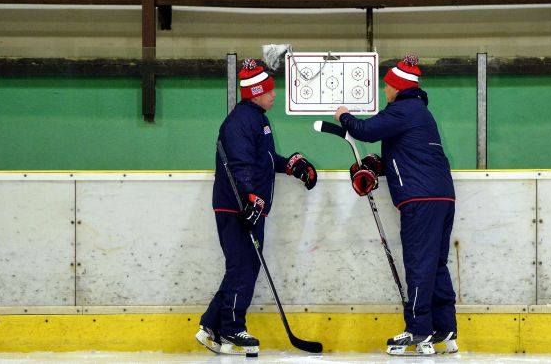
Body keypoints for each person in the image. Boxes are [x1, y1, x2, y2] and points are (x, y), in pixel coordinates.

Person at [334, 54, 458, 356]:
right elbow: (410, 156)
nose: (384, 90)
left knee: (418, 263)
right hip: (441, 196)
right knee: (435, 263)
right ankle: (445, 327)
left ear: (397, 87)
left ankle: (418, 331)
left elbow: (364, 130)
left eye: (387, 85)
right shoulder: (420, 113)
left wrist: (344, 115)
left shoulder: (403, 109)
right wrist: (379, 164)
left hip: (420, 199)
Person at [196, 58, 317, 356]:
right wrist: (250, 197)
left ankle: (212, 324)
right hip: (237, 206)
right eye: (269, 90)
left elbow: (263, 159)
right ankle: (232, 330)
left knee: (241, 265)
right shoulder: (241, 121)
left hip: (246, 204)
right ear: (256, 92)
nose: (274, 94)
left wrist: (290, 165)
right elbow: (239, 164)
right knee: (245, 266)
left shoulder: (256, 119)